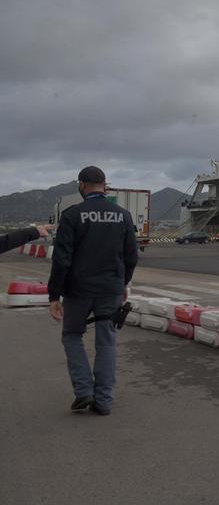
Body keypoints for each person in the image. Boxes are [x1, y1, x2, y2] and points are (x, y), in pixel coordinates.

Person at [48, 166, 138, 416]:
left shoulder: (72, 214)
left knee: (72, 335)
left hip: (78, 289)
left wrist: (54, 295)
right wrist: (123, 284)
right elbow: (131, 255)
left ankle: (84, 391)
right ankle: (104, 401)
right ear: (104, 185)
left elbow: (62, 259)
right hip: (110, 288)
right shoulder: (123, 215)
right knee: (107, 342)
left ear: (82, 185)